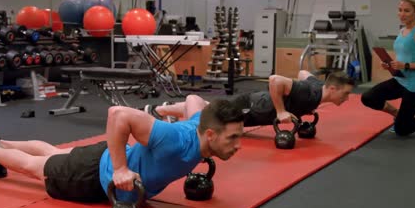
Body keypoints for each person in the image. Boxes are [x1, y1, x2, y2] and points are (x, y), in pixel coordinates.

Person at [0, 95, 245, 203]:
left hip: (102, 156)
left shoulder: (198, 125)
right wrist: (121, 169)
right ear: (210, 134)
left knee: (52, 153)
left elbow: (194, 100)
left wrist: (164, 109)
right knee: (31, 167)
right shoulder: (175, 138)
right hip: (91, 177)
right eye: (232, 138)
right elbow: (118, 114)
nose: (237, 146)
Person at [361, 0, 415, 136]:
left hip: (414, 85)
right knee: (368, 97)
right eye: (400, 10)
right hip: (399, 79)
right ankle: (399, 115)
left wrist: (405, 65)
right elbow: (403, 56)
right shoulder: (402, 31)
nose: (402, 14)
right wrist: (389, 64)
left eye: (406, 11)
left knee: (402, 130)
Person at [145, 70, 355, 127]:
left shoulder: (317, 88)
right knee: (211, 112)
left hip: (258, 102)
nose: (347, 98)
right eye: (345, 93)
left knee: (212, 108)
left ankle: (164, 109)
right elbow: (274, 80)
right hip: (256, 107)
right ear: (333, 88)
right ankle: (159, 111)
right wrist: (281, 111)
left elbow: (302, 72)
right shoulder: (308, 93)